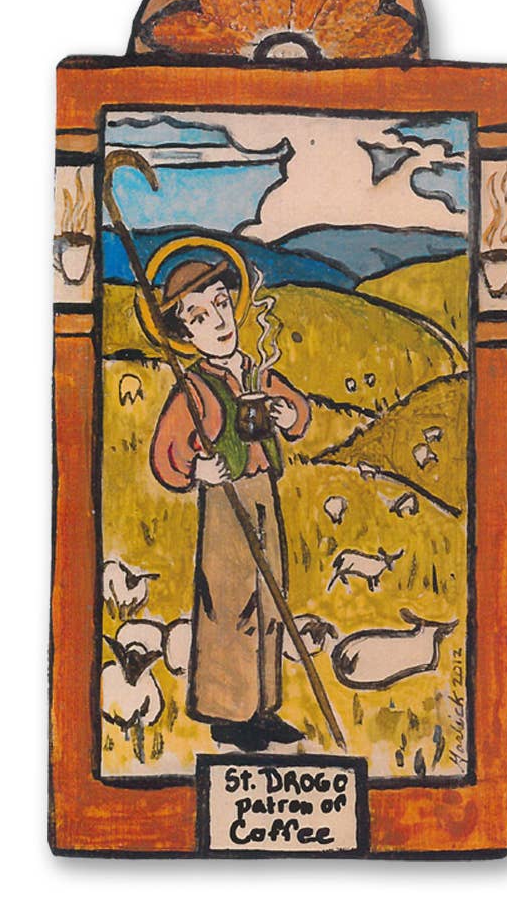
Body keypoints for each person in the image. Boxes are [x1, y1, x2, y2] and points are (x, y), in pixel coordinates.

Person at [149, 257, 311, 751]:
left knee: (270, 595)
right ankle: (228, 711)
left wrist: (289, 415)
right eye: (199, 317)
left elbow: (299, 412)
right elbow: (165, 453)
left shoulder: (257, 370)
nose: (217, 321)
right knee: (229, 600)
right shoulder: (195, 388)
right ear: (185, 332)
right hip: (225, 500)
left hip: (263, 493)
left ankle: (262, 705)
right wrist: (195, 470)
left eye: (220, 304)